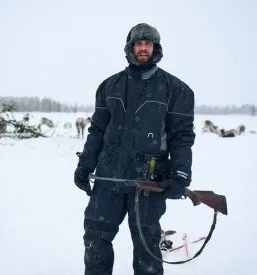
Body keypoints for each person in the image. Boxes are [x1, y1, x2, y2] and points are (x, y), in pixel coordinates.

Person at [74, 23, 196, 275]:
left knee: (146, 248)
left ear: (155, 48)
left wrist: (180, 174)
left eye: (148, 44)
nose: (143, 48)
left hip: (149, 181)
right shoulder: (109, 86)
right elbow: (97, 131)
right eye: (138, 44)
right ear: (129, 48)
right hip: (109, 178)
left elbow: (181, 137)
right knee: (95, 238)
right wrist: (85, 165)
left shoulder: (177, 90)